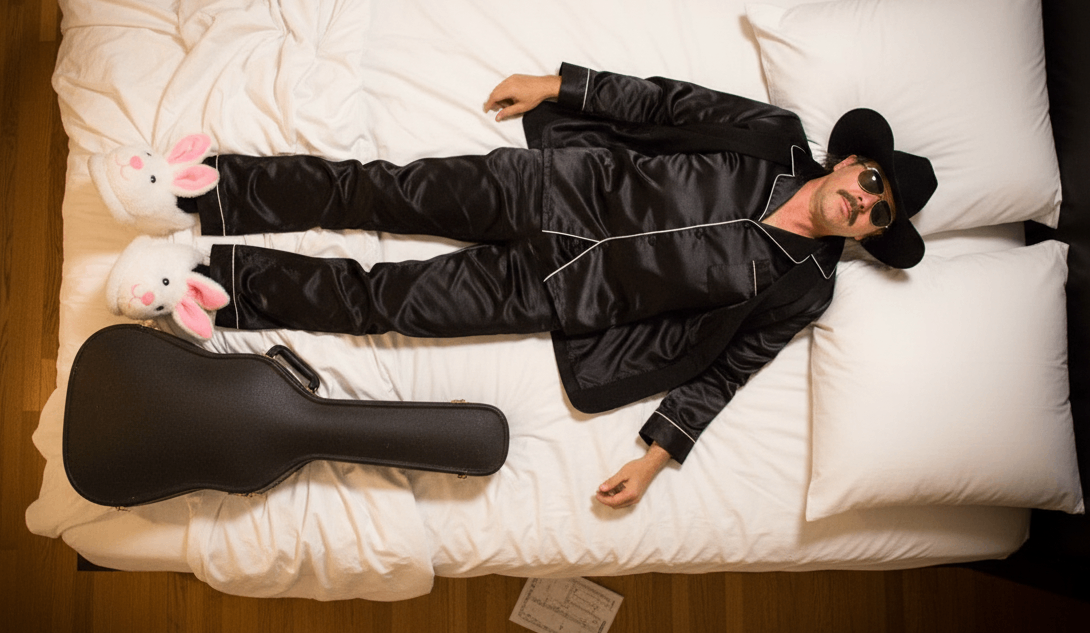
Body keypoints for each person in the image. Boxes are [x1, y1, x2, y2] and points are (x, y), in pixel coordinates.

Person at [91, 63, 937, 509]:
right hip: (553, 188)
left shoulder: (804, 289)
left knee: (383, 305)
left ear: (872, 233)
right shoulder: (774, 139)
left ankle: (200, 278)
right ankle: (202, 192)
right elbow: (667, 102)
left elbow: (728, 367)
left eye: (876, 213)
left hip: (564, 289)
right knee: (373, 190)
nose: (862, 203)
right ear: (850, 161)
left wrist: (658, 456)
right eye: (869, 182)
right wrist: (563, 86)